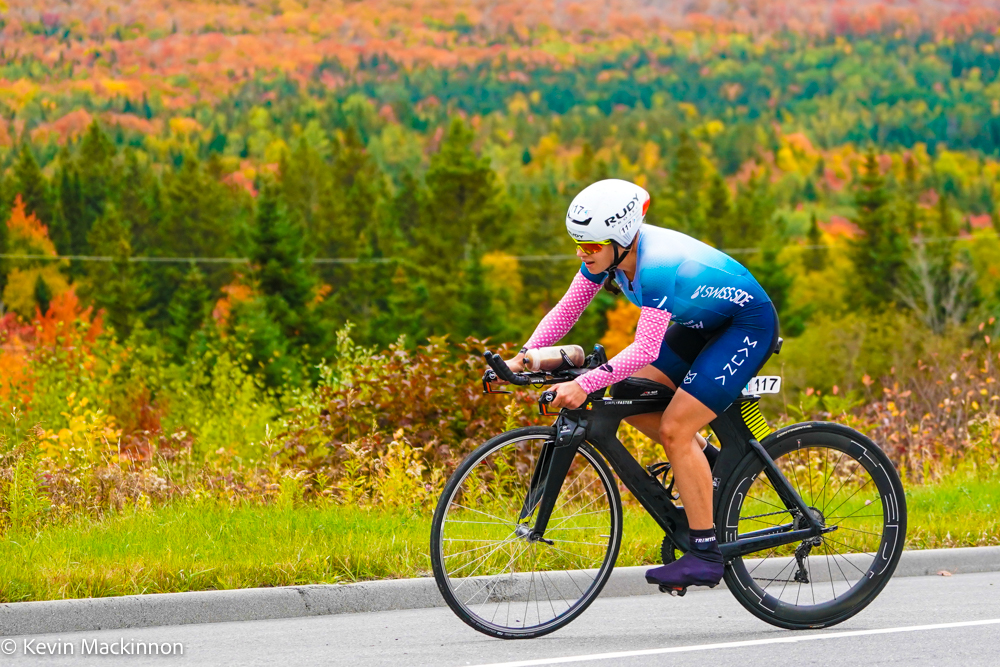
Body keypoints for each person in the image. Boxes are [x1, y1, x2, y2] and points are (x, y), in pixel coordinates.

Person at [503, 178, 779, 590]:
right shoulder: (608, 259)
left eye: (591, 246)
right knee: (628, 396)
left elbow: (646, 348)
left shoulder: (657, 265)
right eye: (578, 243)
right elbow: (567, 310)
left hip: (744, 326)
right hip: (702, 325)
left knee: (675, 429)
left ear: (620, 238)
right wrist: (522, 357)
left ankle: (704, 554)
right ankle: (706, 465)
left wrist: (588, 383)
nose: (582, 253)